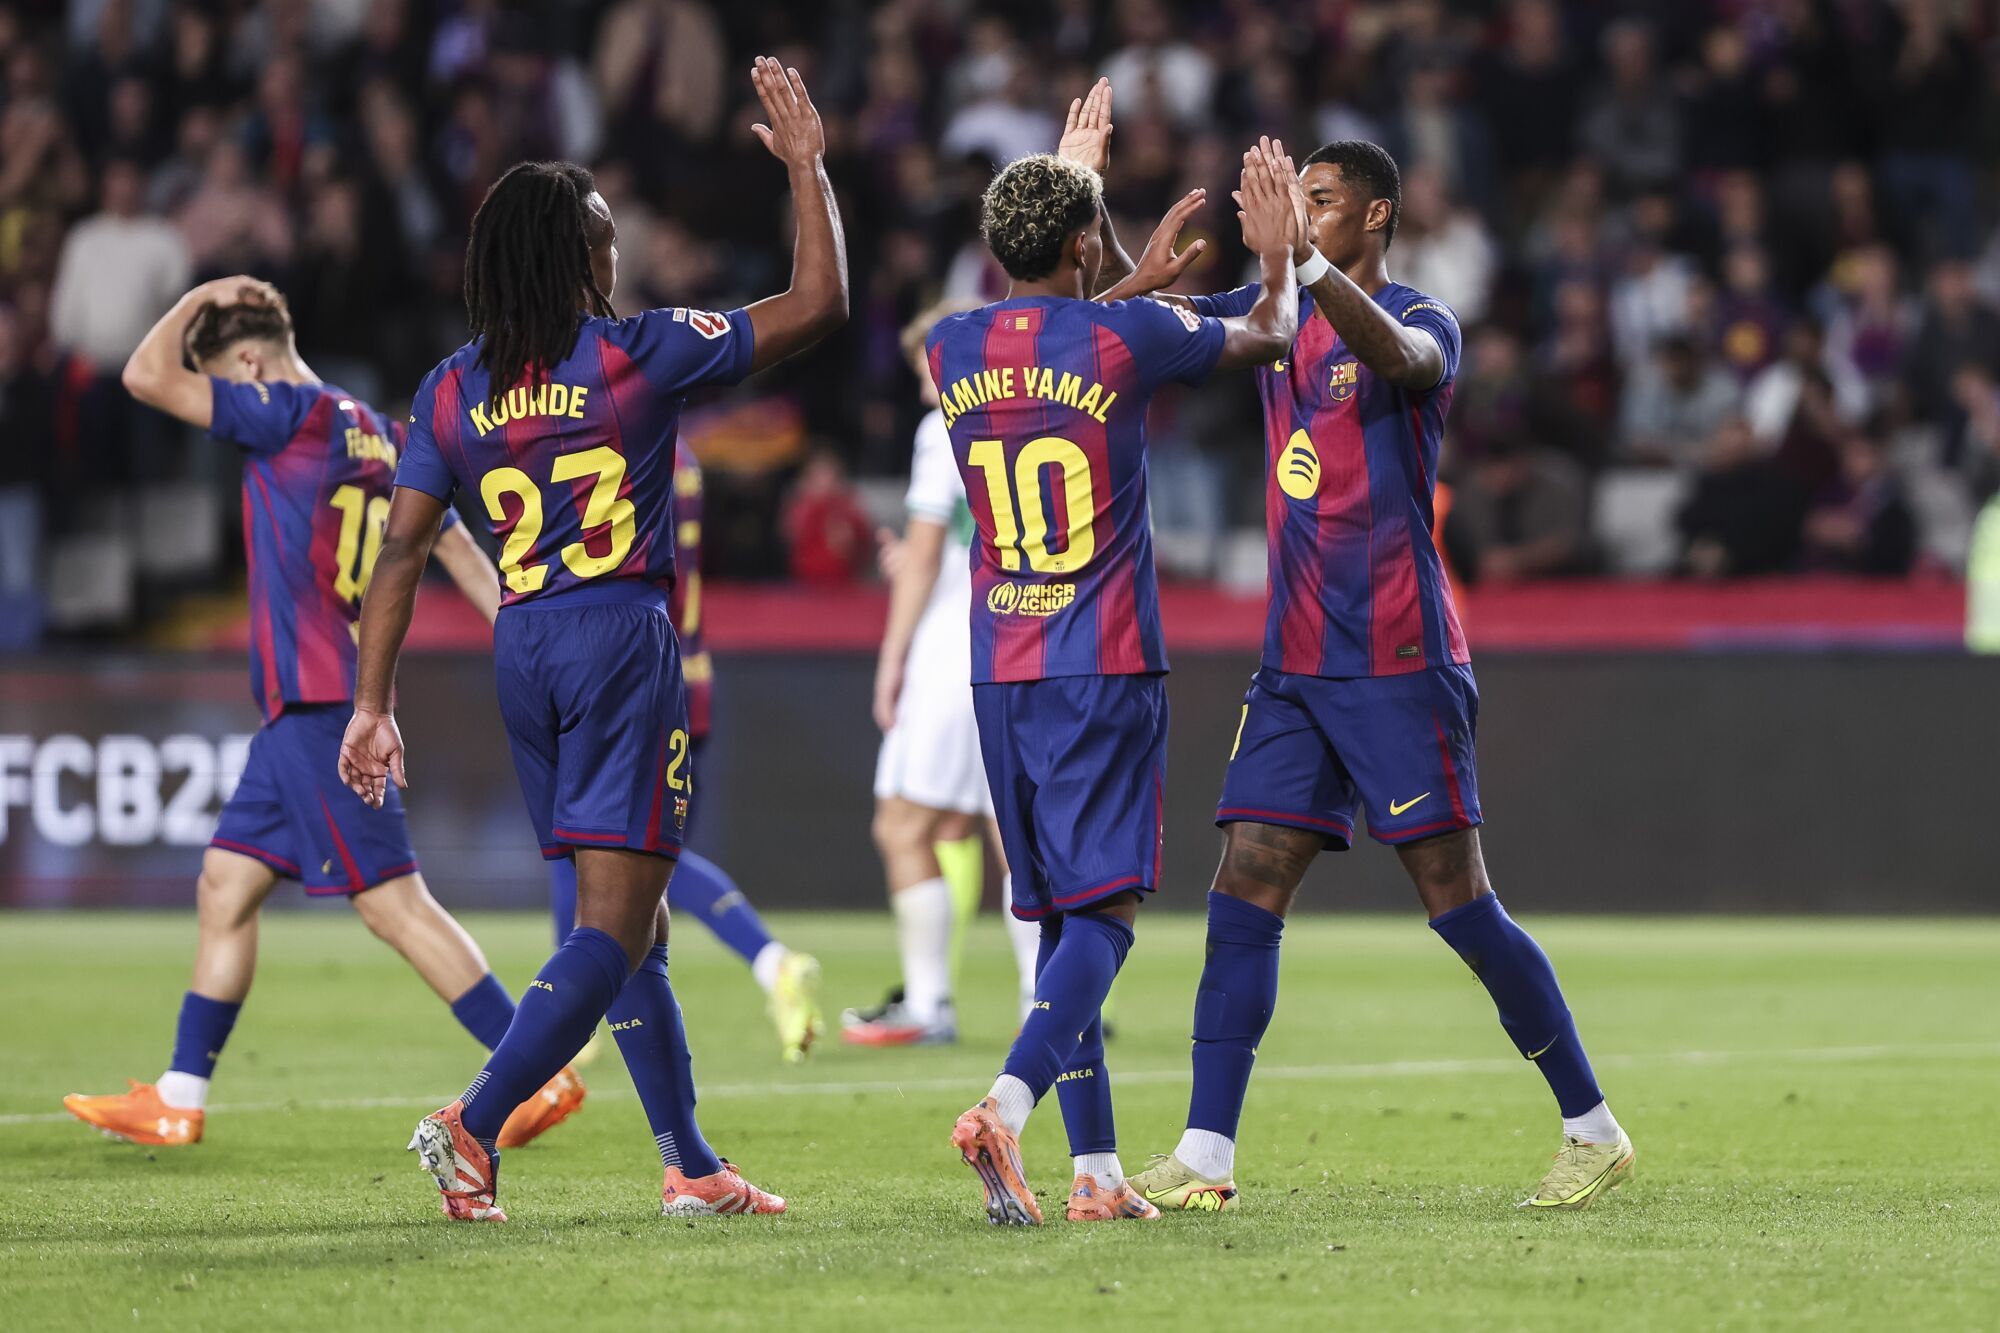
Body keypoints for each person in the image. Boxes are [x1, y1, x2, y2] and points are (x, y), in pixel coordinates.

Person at [338, 57, 845, 1223]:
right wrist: (809, 170)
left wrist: (373, 704)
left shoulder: (452, 390)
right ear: (573, 256)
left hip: (523, 645)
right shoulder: (636, 355)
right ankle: (473, 1123)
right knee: (613, 932)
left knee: (631, 922)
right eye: (604, 235)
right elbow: (817, 307)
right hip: (619, 636)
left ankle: (688, 1161)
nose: (619, 253)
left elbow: (402, 553)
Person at [1118, 138, 1634, 1214]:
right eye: (1293, 199)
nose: (1301, 214)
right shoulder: (1270, 321)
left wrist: (1302, 266)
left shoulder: (1422, 320)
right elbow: (1132, 333)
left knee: (1458, 904)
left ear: (1376, 218)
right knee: (1242, 886)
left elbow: (1402, 360)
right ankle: (1205, 1154)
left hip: (1397, 657)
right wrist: (1128, 262)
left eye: (1322, 201)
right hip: (1293, 664)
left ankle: (1590, 1126)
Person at [63, 278, 582, 1151]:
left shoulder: (283, 412)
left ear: (254, 365)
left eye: (227, 375)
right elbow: (452, 544)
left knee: (394, 905)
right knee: (225, 885)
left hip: (320, 704)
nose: (227, 395)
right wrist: (525, 629)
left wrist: (201, 292)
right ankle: (180, 1096)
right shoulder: (381, 431)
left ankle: (533, 1069)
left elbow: (144, 378)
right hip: (303, 710)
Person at [931, 138, 1300, 1226]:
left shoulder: (949, 346)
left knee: (1055, 918)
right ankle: (1006, 1102)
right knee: (1106, 916)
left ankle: (1093, 1172)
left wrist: (1111, 266)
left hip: (1000, 663)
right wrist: (1273, 256)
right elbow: (1268, 333)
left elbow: (1054, 339)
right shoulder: (1124, 333)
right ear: (1086, 241)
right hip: (1101, 656)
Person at [548, 440, 824, 1063]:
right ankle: (769, 964)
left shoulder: (610, 443)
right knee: (649, 861)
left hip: (624, 673)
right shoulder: (682, 453)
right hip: (687, 670)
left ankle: (571, 1016)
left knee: (592, 846)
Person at [846, 300, 1042, 1047]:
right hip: (1029, 634)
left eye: (929, 367)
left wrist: (890, 661)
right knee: (1012, 826)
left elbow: (927, 552)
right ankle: (1040, 1000)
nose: (926, 387)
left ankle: (928, 1003)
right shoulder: (1041, 415)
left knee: (902, 821)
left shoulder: (945, 426)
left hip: (953, 646)